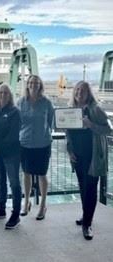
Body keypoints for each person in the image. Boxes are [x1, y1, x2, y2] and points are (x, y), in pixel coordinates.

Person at [66, 81, 111, 240]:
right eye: (77, 89)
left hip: (93, 156)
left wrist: (91, 124)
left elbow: (107, 129)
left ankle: (87, 224)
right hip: (78, 157)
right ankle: (86, 215)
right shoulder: (71, 110)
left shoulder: (95, 109)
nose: (79, 92)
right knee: (83, 187)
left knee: (91, 189)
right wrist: (70, 151)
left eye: (83, 90)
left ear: (88, 93)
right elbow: (68, 135)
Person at [17, 75, 54, 220]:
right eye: (31, 82)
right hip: (24, 142)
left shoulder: (47, 103)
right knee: (26, 173)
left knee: (41, 174)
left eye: (36, 83)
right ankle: (26, 202)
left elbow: (51, 122)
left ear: (40, 85)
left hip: (43, 143)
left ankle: (43, 204)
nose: (33, 85)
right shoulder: (20, 102)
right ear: (27, 85)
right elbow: (17, 122)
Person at [0, 84, 22, 229]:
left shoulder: (15, 112)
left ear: (10, 96)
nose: (2, 95)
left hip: (11, 153)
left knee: (14, 183)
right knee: (0, 181)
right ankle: (1, 208)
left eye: (6, 93)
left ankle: (16, 214)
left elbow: (13, 135)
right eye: (0, 92)